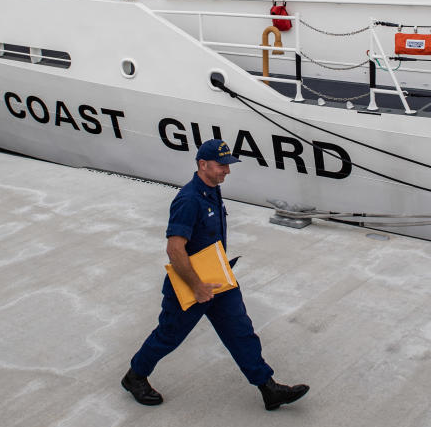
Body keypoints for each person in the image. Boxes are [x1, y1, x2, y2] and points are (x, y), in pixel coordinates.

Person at [122, 139, 309, 411]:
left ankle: (268, 388)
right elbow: (174, 249)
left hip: (219, 278)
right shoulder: (188, 200)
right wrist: (197, 286)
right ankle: (134, 376)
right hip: (192, 284)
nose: (227, 171)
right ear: (202, 164)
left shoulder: (212, 190)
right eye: (222, 166)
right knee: (168, 336)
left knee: (241, 332)